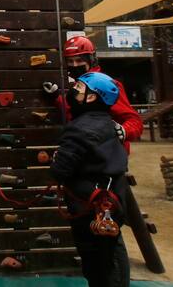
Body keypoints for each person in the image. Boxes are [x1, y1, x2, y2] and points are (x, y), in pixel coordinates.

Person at [51, 72, 130, 287]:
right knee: (109, 259)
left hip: (90, 207)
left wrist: (57, 159)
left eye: (78, 88)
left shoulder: (80, 130)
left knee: (99, 267)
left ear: (92, 97)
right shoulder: (107, 123)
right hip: (110, 202)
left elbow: (60, 170)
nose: (73, 91)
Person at [43, 35, 143, 153]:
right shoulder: (79, 85)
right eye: (70, 61)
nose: (74, 65)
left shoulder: (106, 85)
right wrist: (56, 97)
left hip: (109, 153)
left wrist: (123, 131)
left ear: (91, 60)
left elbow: (134, 120)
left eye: (79, 60)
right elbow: (74, 113)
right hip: (87, 150)